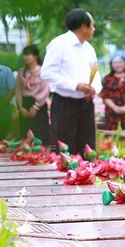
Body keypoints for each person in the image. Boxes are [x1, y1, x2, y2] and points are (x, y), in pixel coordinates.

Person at [40, 8, 98, 156]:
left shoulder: (89, 48)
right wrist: (75, 85)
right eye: (92, 25)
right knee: (66, 147)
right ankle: (65, 178)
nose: (94, 29)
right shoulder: (59, 44)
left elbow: (96, 74)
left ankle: (87, 177)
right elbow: (46, 72)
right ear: (84, 26)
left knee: (88, 147)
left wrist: (94, 89)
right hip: (64, 104)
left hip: (85, 104)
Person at [15, 44, 51, 143]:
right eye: (24, 55)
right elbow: (18, 89)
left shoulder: (43, 71)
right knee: (25, 135)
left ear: (35, 56)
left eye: (28, 54)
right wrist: (20, 106)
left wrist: (36, 106)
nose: (25, 57)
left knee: (40, 136)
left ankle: (40, 157)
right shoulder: (21, 72)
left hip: (38, 105)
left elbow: (45, 90)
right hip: (24, 104)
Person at [102, 55, 125, 130]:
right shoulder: (107, 79)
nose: (118, 64)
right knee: (112, 137)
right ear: (111, 65)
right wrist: (114, 107)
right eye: (115, 62)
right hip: (112, 113)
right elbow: (104, 95)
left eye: (120, 62)